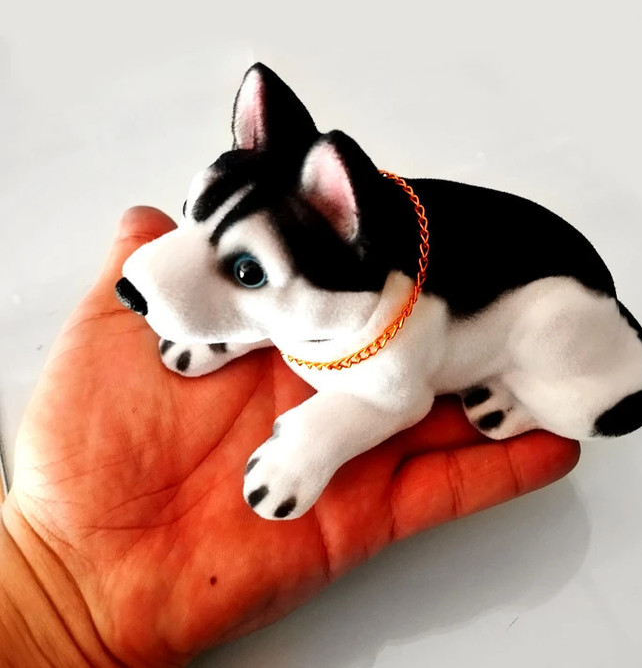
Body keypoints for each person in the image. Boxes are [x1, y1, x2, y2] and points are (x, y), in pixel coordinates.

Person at [0, 207, 580, 667]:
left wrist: (312, 437)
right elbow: (291, 301)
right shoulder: (329, 289)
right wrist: (45, 586)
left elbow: (398, 399)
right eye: (195, 212)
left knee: (575, 394)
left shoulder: (385, 326)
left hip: (546, 317)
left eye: (244, 271)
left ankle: (535, 388)